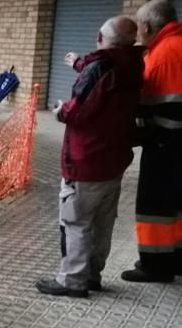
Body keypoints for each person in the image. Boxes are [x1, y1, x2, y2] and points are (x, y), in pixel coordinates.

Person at [36, 16, 144, 298]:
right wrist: (79, 63)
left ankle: (72, 281)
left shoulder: (100, 67)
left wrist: (60, 110)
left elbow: (78, 110)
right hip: (114, 160)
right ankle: (92, 275)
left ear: (99, 36)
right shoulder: (133, 63)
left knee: (76, 221)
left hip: (86, 161)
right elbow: (104, 73)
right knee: (102, 223)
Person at [121, 0, 182, 283]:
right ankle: (176, 258)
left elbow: (156, 105)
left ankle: (156, 264)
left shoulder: (163, 54)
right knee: (177, 204)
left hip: (167, 145)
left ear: (146, 26)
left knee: (155, 205)